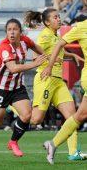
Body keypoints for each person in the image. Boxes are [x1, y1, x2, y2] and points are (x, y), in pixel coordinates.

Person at [0, 18, 47, 164]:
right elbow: (13, 68)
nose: (12, 32)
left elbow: (36, 47)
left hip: (17, 87)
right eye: (9, 30)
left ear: (20, 32)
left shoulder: (25, 41)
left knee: (27, 115)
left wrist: (48, 57)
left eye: (15, 29)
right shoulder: (4, 47)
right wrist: (35, 63)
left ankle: (13, 142)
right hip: (0, 89)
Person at [24, 8, 85, 163]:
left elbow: (59, 50)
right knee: (36, 119)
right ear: (47, 22)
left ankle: (73, 153)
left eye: (59, 16)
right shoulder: (44, 35)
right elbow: (35, 55)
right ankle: (18, 110)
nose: (59, 19)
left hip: (58, 81)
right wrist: (51, 61)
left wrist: (72, 55)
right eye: (55, 17)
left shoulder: (55, 35)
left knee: (72, 116)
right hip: (46, 79)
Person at [41, 19, 87, 164]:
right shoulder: (81, 27)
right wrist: (48, 66)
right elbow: (59, 44)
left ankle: (52, 144)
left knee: (80, 115)